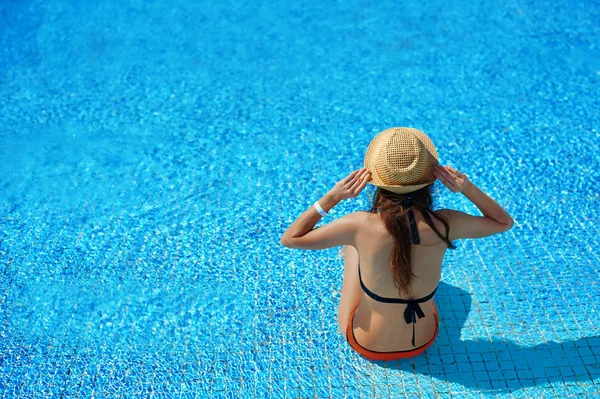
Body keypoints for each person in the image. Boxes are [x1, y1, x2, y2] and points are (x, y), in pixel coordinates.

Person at [280, 127, 513, 361]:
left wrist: (333, 197)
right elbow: (503, 222)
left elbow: (290, 238)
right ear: (431, 178)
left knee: (353, 249)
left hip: (366, 344)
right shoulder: (444, 223)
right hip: (425, 340)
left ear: (374, 179)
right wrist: (467, 188)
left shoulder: (359, 226)